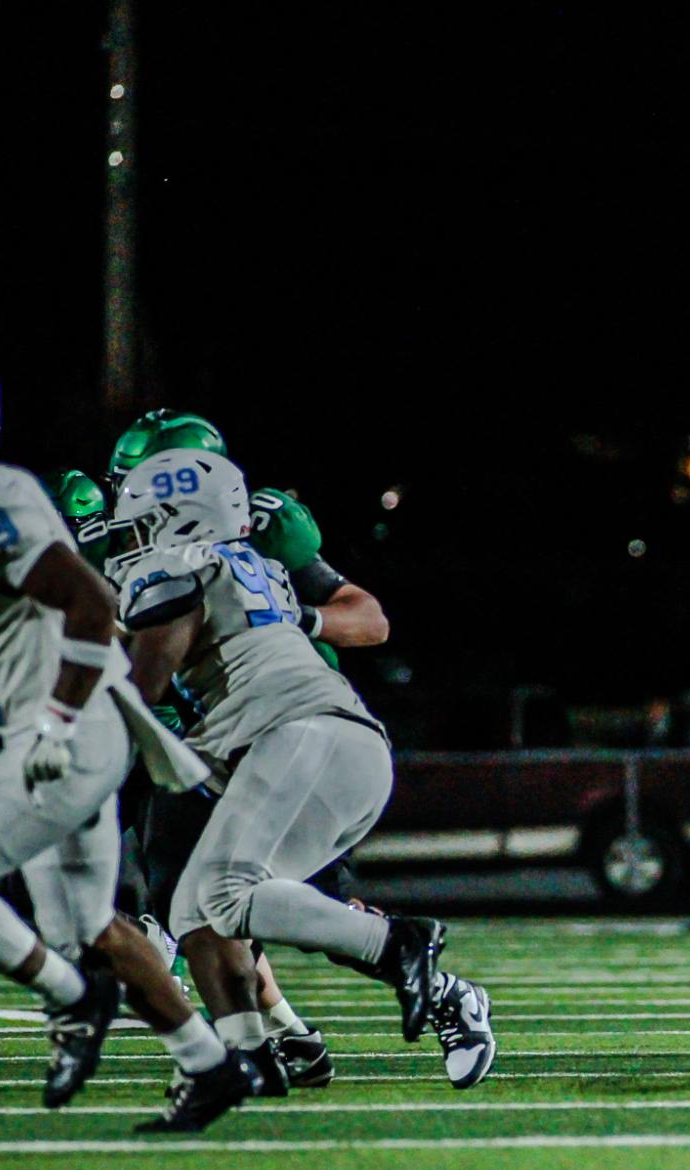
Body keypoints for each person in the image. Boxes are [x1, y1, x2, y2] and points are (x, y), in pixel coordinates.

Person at [91, 410, 495, 1091]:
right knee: (193, 906)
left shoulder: (185, 563)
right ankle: (257, 1051)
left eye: (144, 497)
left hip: (289, 734)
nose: (128, 513)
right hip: (258, 743)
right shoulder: (224, 556)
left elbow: (141, 682)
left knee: (226, 894)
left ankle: (402, 948)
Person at [0, 369, 260, 1128]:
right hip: (63, 725)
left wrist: (55, 722)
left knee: (73, 952)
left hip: (70, 726)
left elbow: (90, 598)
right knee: (93, 929)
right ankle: (209, 1068)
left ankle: (75, 999)